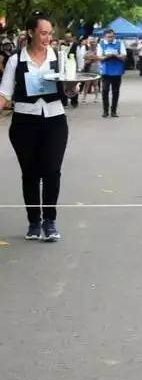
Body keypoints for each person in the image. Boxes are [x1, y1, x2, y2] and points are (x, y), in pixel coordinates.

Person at [0, 12, 69, 241]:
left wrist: (73, 86)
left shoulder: (59, 57)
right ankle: (33, 221)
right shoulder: (15, 60)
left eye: (49, 33)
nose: (47, 37)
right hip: (24, 122)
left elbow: (69, 87)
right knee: (30, 174)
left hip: (54, 120)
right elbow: (4, 95)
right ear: (31, 33)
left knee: (51, 171)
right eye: (42, 33)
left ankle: (50, 220)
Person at [98, 28, 126, 118]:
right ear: (105, 37)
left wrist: (115, 55)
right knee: (105, 91)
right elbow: (99, 57)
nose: (111, 38)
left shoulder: (119, 43)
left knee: (116, 91)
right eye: (109, 37)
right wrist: (107, 56)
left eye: (112, 36)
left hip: (117, 71)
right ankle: (105, 111)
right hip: (105, 71)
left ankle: (113, 111)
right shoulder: (101, 44)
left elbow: (124, 56)